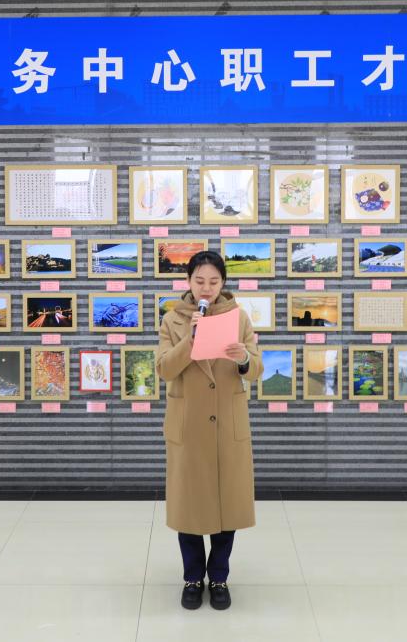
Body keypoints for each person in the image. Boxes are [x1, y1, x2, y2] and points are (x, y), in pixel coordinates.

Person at [156, 250, 262, 611]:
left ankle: (218, 577)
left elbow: (256, 368)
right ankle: (192, 578)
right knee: (189, 507)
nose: (206, 288)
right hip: (189, 426)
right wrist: (191, 341)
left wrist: (243, 358)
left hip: (226, 426)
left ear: (223, 283)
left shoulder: (238, 317)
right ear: (188, 281)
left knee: (227, 506)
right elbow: (164, 369)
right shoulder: (172, 319)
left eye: (214, 281)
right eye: (199, 280)